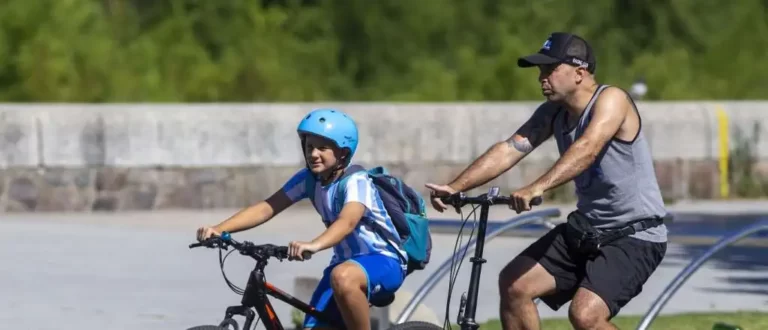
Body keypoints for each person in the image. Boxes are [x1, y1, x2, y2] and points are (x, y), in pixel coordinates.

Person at [425, 32, 668, 330]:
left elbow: (588, 148)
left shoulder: (612, 100)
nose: (541, 77)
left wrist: (537, 186)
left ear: (579, 73)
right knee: (515, 285)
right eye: (540, 70)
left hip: (634, 236)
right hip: (588, 230)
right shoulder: (554, 113)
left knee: (586, 316)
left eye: (549, 69)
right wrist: (456, 187)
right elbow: (509, 149)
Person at [196, 108, 407, 330]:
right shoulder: (308, 180)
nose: (313, 153)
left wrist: (313, 244)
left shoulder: (356, 181)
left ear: (343, 153)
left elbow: (347, 222)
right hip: (343, 265)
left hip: (383, 260)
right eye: (309, 147)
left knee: (343, 277)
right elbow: (267, 208)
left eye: (323, 147)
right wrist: (219, 228)